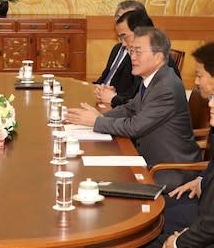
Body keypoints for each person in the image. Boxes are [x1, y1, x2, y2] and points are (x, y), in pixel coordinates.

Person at [66, 27, 200, 191]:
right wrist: (100, 116)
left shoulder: (166, 86)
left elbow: (135, 127)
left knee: (97, 184)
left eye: (138, 52)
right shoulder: (154, 78)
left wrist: (97, 121)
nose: (132, 57)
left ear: (158, 57)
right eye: (131, 51)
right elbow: (130, 108)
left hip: (169, 170)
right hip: (147, 158)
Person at [160, 43, 214, 248]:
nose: (196, 82)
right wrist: (202, 180)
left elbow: (209, 226)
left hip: (205, 222)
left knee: (150, 228)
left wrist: (180, 243)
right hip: (203, 201)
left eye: (200, 76)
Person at [94, 1, 181, 107]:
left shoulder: (160, 67)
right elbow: (133, 104)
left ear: (140, 33)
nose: (123, 44)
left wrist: (113, 99)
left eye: (125, 37)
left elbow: (140, 113)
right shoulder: (141, 59)